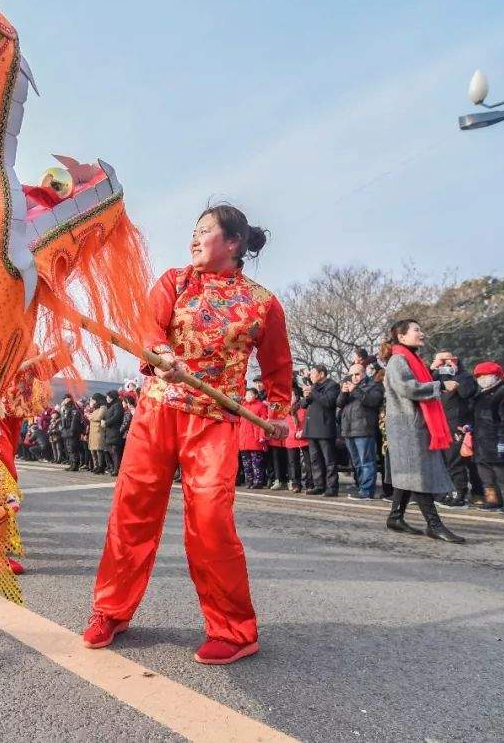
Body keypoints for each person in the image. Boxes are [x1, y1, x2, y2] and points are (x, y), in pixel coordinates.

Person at [84, 203, 292, 665]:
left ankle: (234, 630)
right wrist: (160, 351)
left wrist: (279, 411)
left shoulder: (262, 303)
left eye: (204, 231)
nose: (194, 239)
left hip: (215, 419)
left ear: (233, 242)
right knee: (132, 512)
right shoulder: (175, 280)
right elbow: (147, 325)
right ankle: (110, 611)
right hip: (157, 410)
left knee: (212, 522)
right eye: (193, 232)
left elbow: (278, 368)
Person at [380, 320, 465, 543]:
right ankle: (433, 524)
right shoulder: (398, 360)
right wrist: (439, 385)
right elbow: (408, 388)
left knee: (410, 473)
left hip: (413, 425)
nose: (422, 333)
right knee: (417, 474)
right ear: (401, 336)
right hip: (407, 426)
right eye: (416, 330)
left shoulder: (411, 359)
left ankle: (396, 517)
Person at [471, 362, 504, 514]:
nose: (481, 379)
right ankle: (492, 501)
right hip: (482, 443)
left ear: (496, 375)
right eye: (478, 376)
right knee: (487, 477)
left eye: (485, 375)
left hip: (499, 441)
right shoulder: (481, 394)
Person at [429, 351, 478, 507]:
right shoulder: (436, 375)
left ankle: (459, 494)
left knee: (454, 460)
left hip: (455, 423)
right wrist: (432, 369)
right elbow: (420, 387)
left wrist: (456, 370)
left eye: (447, 360)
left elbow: (467, 393)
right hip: (436, 424)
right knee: (439, 460)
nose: (444, 363)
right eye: (440, 360)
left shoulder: (464, 376)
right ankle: (443, 492)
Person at [337, 362, 385, 500]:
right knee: (356, 463)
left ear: (364, 373)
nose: (354, 377)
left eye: (357, 374)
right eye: (351, 375)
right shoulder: (350, 386)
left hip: (364, 430)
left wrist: (355, 390)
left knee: (367, 462)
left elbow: (373, 401)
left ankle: (367, 491)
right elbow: (339, 403)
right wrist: (343, 393)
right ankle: (361, 488)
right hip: (348, 430)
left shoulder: (373, 385)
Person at [300, 364, 340, 497]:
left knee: (329, 459)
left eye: (313, 373)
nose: (311, 376)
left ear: (322, 374)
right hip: (311, 427)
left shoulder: (332, 385)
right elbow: (304, 405)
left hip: (324, 427)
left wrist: (313, 391)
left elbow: (328, 401)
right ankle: (319, 485)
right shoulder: (314, 387)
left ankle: (332, 487)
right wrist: (306, 396)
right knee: (315, 459)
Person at [238, 385, 268, 489]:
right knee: (246, 463)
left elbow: (264, 422)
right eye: (247, 394)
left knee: (256, 462)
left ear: (256, 395)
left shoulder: (261, 406)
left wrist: (262, 436)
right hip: (243, 438)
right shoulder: (243, 406)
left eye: (250, 394)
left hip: (255, 437)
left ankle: (258, 481)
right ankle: (249, 481)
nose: (248, 396)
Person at [58, 394, 83, 471]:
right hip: (66, 431)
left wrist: (72, 431)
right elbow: (63, 420)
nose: (64, 400)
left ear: (69, 399)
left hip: (72, 432)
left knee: (73, 448)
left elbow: (74, 421)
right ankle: (72, 464)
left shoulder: (73, 408)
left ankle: (75, 465)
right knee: (69, 448)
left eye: (65, 399)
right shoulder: (65, 408)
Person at [102, 391, 124, 476]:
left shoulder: (117, 405)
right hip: (109, 432)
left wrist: (106, 423)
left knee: (115, 452)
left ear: (112, 397)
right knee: (111, 451)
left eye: (108, 397)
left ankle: (116, 469)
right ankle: (113, 468)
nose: (107, 398)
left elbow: (116, 417)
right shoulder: (111, 406)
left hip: (115, 432)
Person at [87, 393, 107, 474]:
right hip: (93, 433)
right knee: (93, 450)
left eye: (93, 400)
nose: (92, 402)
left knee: (99, 450)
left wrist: (90, 417)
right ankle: (95, 466)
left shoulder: (103, 408)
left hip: (99, 432)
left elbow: (99, 417)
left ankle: (100, 467)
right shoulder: (95, 409)